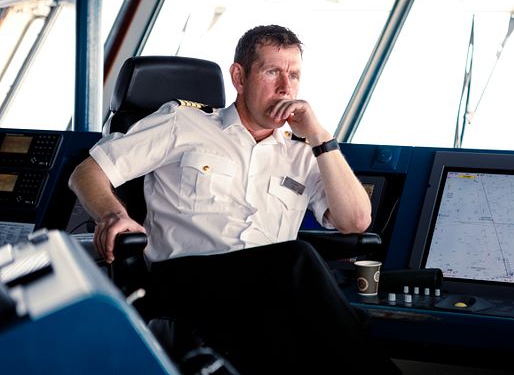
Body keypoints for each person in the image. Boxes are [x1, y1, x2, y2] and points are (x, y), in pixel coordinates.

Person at [69, 25, 399, 374]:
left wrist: (320, 137)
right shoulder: (183, 123)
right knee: (296, 260)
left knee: (294, 325)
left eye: (294, 76)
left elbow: (356, 221)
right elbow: (87, 172)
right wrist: (112, 215)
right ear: (239, 77)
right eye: (273, 72)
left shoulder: (303, 153)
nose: (286, 88)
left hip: (264, 293)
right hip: (184, 282)